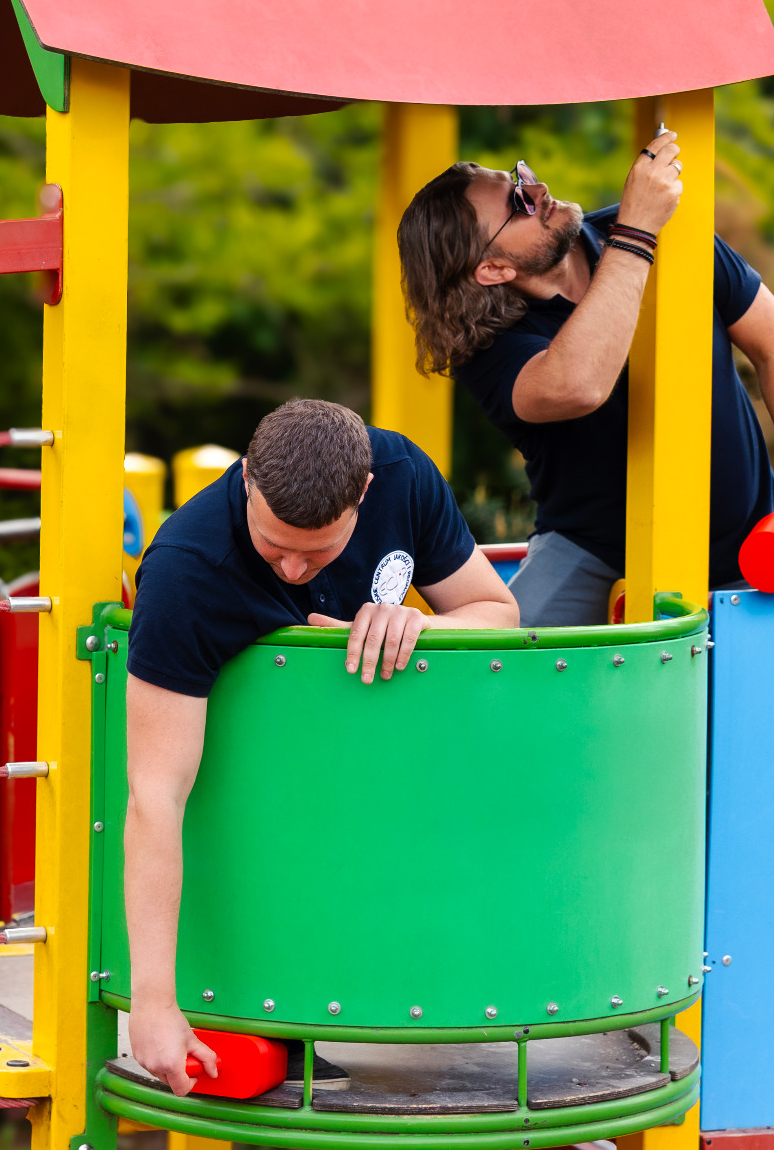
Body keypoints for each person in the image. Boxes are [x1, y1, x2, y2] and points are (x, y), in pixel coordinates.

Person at [124, 399, 520, 1096]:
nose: (293, 567)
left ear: (365, 492)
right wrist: (153, 1001)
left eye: (319, 551)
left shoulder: (402, 474)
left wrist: (423, 626)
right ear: (247, 479)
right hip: (267, 822)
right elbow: (156, 793)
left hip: (389, 810)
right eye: (274, 544)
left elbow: (498, 611)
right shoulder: (188, 569)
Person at [397, 130, 774, 625]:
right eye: (518, 203)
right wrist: (636, 234)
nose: (538, 190)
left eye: (521, 178)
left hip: (751, 542)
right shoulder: (486, 345)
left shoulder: (668, 235)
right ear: (494, 269)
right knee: (506, 662)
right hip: (592, 551)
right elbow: (581, 384)